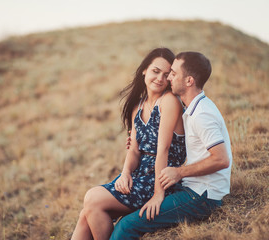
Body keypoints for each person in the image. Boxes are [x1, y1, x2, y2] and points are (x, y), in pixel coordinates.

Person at [110, 51, 233, 240]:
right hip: (192, 188)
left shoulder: (201, 114)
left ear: (189, 81)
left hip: (201, 196)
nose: (168, 78)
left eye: (173, 73)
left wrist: (179, 172)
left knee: (126, 226)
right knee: (124, 218)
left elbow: (222, 159)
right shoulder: (192, 108)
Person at [71, 48, 187, 240]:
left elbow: (163, 149)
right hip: (139, 174)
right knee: (87, 213)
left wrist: (159, 194)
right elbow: (134, 150)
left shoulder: (169, 102)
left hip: (160, 178)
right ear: (144, 70)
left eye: (167, 75)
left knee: (92, 199)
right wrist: (124, 174)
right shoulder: (137, 106)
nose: (160, 78)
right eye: (155, 71)